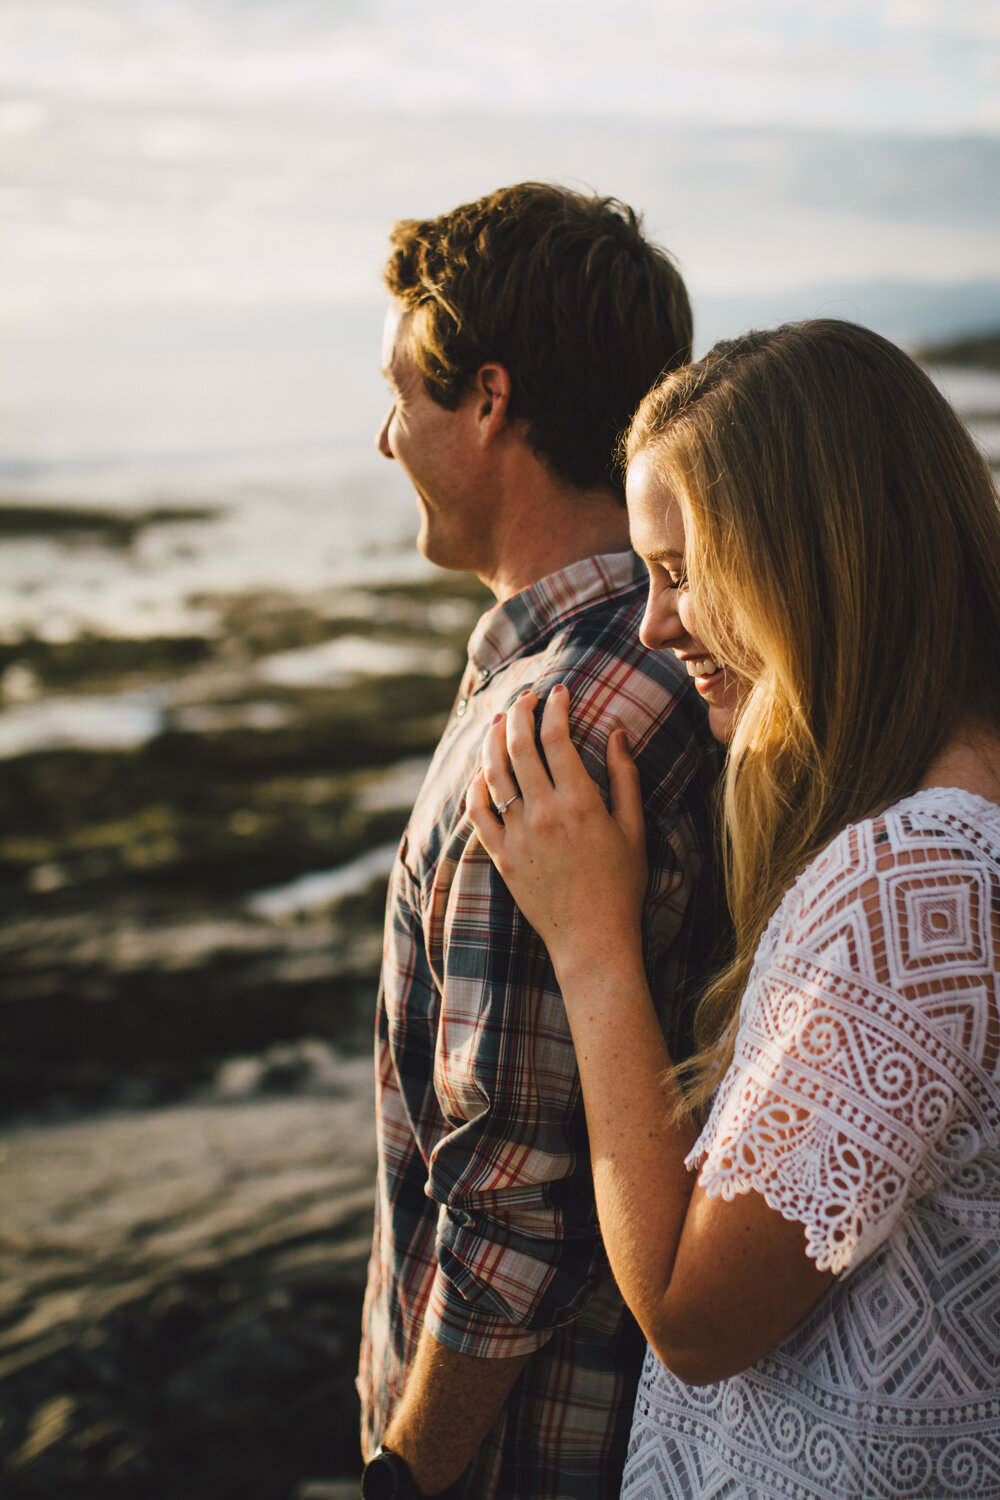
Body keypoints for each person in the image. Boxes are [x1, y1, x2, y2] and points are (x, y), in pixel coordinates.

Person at [469, 319, 1000, 1499]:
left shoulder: (914, 882)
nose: (656, 627)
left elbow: (693, 1320)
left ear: (810, 554)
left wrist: (590, 939)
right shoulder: (950, 829)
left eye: (679, 570)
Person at [358, 183, 724, 1500]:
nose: (385, 435)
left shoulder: (560, 729)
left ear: (490, 401)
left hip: (528, 1458)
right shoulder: (687, 657)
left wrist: (411, 1468)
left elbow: (513, 1213)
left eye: (403, 392)